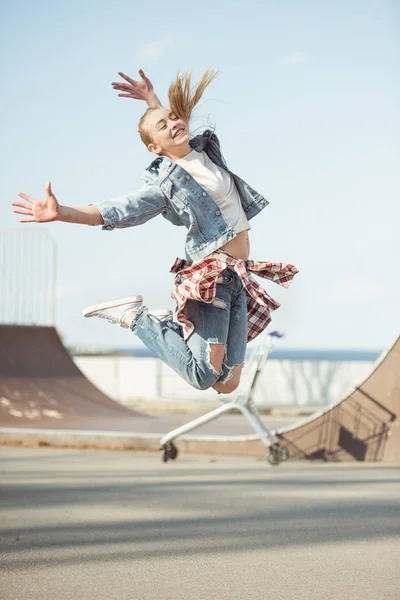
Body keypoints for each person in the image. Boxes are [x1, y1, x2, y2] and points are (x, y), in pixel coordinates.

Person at [12, 67, 298, 395]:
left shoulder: (205, 152)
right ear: (154, 148)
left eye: (175, 118)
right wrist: (62, 213)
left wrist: (152, 101)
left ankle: (172, 325)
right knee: (203, 376)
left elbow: (169, 127)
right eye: (163, 125)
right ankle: (136, 318)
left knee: (228, 384)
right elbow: (119, 209)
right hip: (211, 279)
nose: (174, 123)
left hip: (238, 276)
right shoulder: (165, 185)